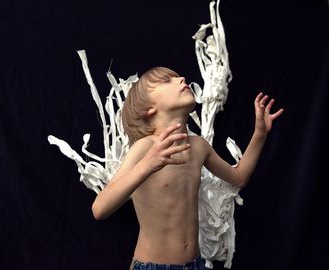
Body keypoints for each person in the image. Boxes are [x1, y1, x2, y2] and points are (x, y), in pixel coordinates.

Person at [91, 67, 284, 270]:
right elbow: (99, 209)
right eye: (167, 81)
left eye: (177, 77)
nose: (181, 78)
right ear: (148, 108)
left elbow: (239, 177)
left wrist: (260, 134)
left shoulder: (198, 146)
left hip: (194, 265)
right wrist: (148, 164)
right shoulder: (145, 148)